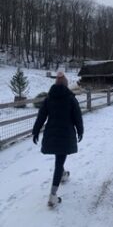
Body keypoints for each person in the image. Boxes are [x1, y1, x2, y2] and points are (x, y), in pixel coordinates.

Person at [32, 71, 84, 207]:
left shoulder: (48, 99)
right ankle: (53, 195)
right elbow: (77, 117)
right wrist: (80, 131)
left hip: (52, 135)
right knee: (59, 162)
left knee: (59, 159)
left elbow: (41, 117)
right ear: (66, 85)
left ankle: (62, 174)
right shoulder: (71, 99)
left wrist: (35, 131)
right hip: (66, 136)